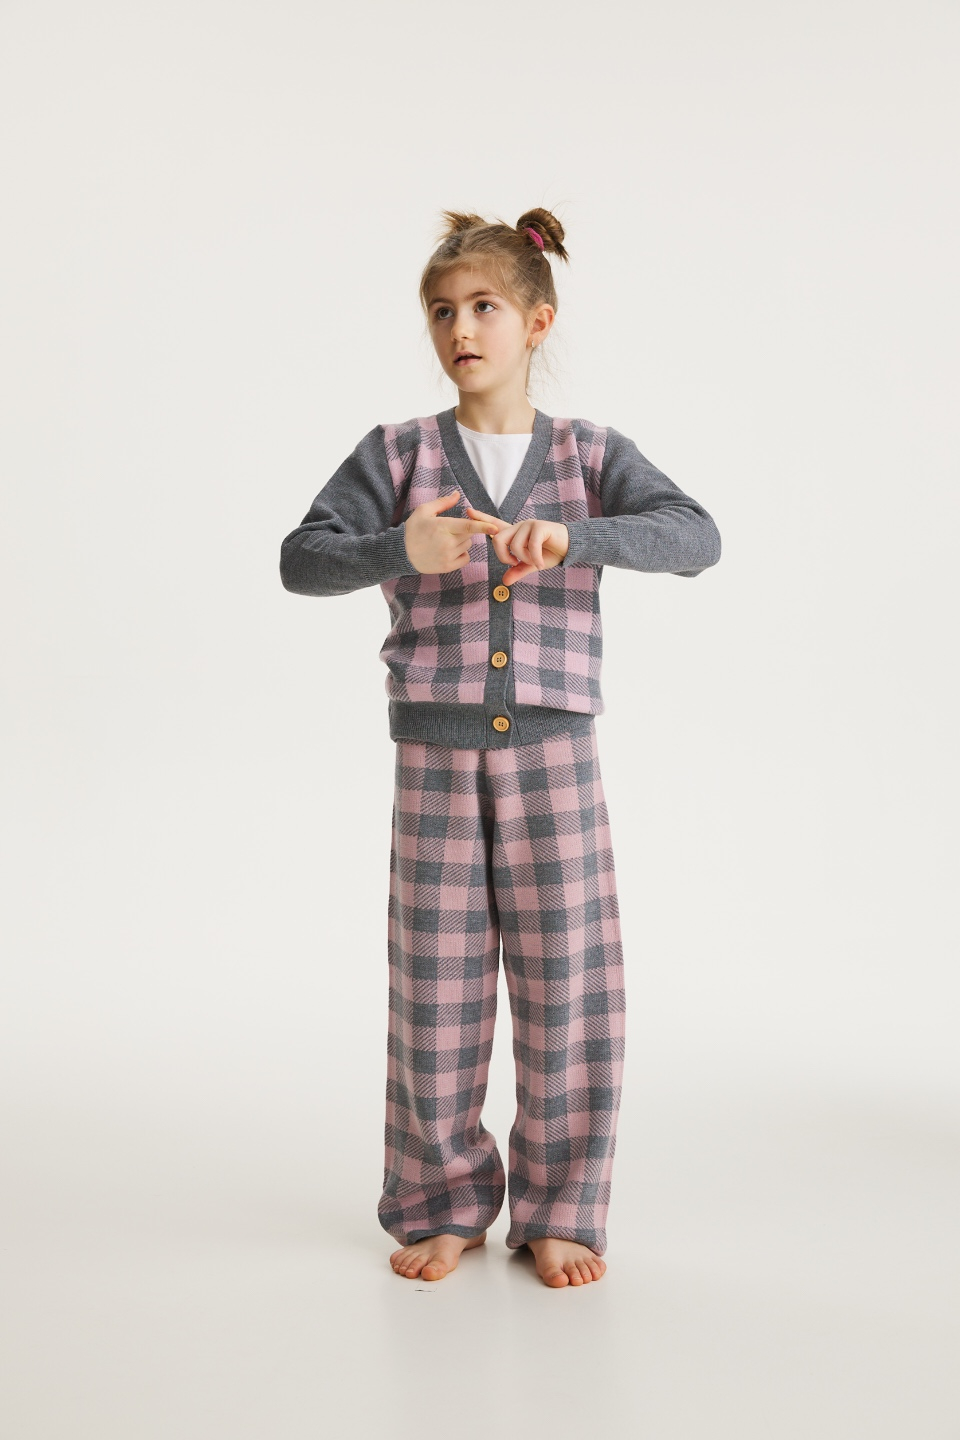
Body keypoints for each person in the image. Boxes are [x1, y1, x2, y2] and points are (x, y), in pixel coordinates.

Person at [279, 207, 721, 1288]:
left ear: (537, 321)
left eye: (483, 307)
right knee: (436, 989)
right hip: (433, 756)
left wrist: (576, 537)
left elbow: (696, 536)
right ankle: (441, 1203)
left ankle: (562, 1208)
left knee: (570, 985)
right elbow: (303, 560)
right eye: (442, 311)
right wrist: (402, 546)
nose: (461, 329)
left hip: (555, 755)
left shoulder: (589, 454)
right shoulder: (397, 454)